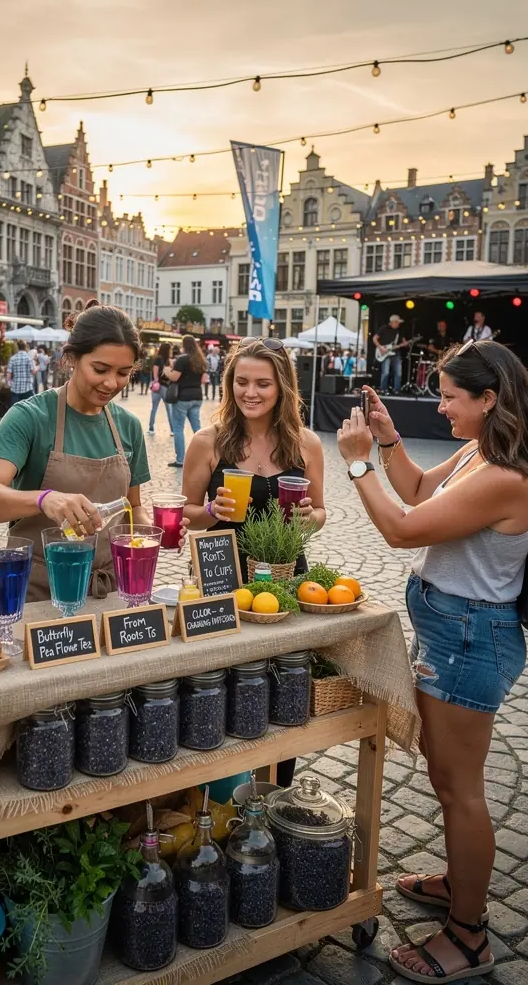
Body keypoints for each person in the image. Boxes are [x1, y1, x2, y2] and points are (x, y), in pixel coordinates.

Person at [336, 342, 528, 984]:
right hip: (451, 631)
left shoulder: (508, 475)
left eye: (452, 396)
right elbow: (422, 490)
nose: (441, 404)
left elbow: (403, 527)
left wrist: (356, 466)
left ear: (489, 400)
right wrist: (389, 441)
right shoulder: (481, 451)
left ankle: (468, 935)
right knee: (444, 772)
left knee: (460, 790)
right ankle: (461, 882)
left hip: (469, 639)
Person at [182, 335, 327, 790]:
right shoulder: (209, 441)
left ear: (282, 387)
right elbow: (185, 512)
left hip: (286, 578)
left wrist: (310, 517)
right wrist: (210, 512)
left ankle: (276, 791)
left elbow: (319, 512)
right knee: (219, 690)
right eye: (241, 382)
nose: (251, 392)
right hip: (222, 578)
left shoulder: (306, 444)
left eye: (263, 383)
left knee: (284, 691)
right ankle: (218, 798)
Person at [0, 305, 155, 600]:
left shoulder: (128, 426)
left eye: (123, 373)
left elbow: (133, 507)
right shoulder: (29, 417)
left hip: (108, 589)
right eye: (100, 369)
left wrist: (154, 532)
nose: (111, 383)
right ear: (71, 359)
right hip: (40, 591)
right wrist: (44, 500)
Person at [167, 334, 206, 467]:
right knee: (197, 428)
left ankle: (180, 459)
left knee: (178, 428)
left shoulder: (182, 359)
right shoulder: (200, 359)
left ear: (184, 344)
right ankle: (205, 455)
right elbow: (204, 380)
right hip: (197, 396)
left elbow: (174, 377)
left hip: (183, 397)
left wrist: (166, 371)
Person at [373, 314, 410, 393]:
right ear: (393, 322)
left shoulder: (399, 332)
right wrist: (380, 347)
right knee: (385, 372)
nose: (398, 324)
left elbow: (404, 342)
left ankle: (397, 390)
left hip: (396, 353)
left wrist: (406, 343)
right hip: (384, 353)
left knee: (398, 372)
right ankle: (383, 389)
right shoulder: (383, 328)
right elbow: (374, 338)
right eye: (397, 322)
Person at [148, 342, 172, 436]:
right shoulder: (165, 360)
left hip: (159, 386)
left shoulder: (160, 359)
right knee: (168, 408)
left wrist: (155, 381)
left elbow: (155, 372)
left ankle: (151, 428)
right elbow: (156, 371)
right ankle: (173, 429)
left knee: (154, 408)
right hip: (163, 386)